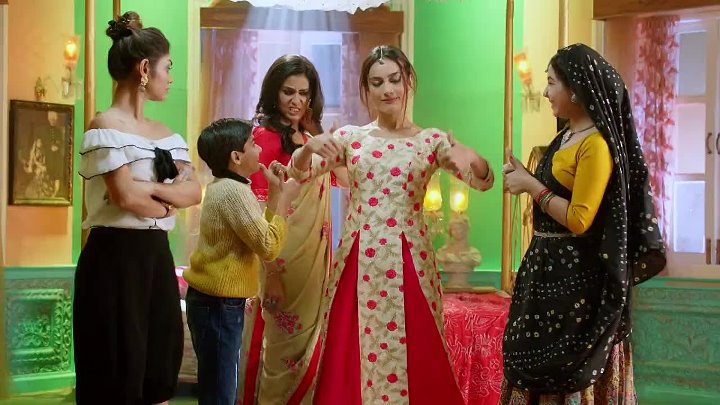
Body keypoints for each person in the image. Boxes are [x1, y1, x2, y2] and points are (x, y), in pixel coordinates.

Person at [288, 45, 494, 405]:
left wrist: (472, 157)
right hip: (358, 262)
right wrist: (308, 148)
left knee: (420, 352)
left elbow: (483, 181)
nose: (387, 90)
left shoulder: (431, 141)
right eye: (377, 82)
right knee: (349, 354)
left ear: (408, 81)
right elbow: (300, 173)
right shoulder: (351, 138)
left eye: (395, 80)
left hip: (411, 261)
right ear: (366, 89)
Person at [501, 43, 666, 405]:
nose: (545, 92)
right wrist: (525, 176)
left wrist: (531, 186)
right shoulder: (565, 136)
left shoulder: (595, 145)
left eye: (551, 83)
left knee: (566, 369)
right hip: (545, 274)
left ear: (575, 89)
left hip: (576, 284)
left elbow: (579, 219)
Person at [75, 11, 202, 405]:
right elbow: (125, 197)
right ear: (145, 69)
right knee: (115, 370)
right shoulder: (103, 125)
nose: (171, 77)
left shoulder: (167, 134)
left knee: (158, 368)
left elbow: (193, 192)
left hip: (156, 259)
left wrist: (150, 192)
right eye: (168, 67)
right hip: (112, 261)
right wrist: (166, 201)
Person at [239, 54, 339, 405]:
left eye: (304, 93)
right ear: (273, 93)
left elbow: (341, 179)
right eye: (288, 92)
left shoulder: (311, 136)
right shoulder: (260, 139)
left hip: (313, 264)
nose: (296, 101)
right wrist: (271, 274)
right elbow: (257, 215)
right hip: (277, 261)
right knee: (276, 353)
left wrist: (319, 136)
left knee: (311, 354)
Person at [184, 118, 298, 405]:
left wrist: (274, 194)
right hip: (218, 304)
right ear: (236, 157)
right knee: (221, 391)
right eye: (253, 144)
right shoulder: (233, 193)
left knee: (218, 384)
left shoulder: (227, 187)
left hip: (214, 301)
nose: (259, 150)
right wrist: (285, 200)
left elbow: (260, 236)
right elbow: (268, 246)